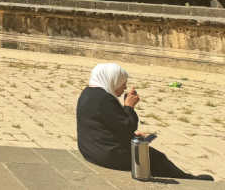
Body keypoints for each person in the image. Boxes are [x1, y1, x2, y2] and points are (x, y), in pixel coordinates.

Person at [76, 63, 213, 180]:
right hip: (106, 154)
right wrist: (129, 106)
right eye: (122, 83)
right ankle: (188, 180)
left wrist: (133, 135)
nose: (124, 87)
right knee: (155, 157)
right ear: (112, 80)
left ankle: (184, 177)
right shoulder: (104, 99)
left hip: (90, 150)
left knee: (150, 153)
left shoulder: (88, 93)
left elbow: (108, 125)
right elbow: (127, 126)